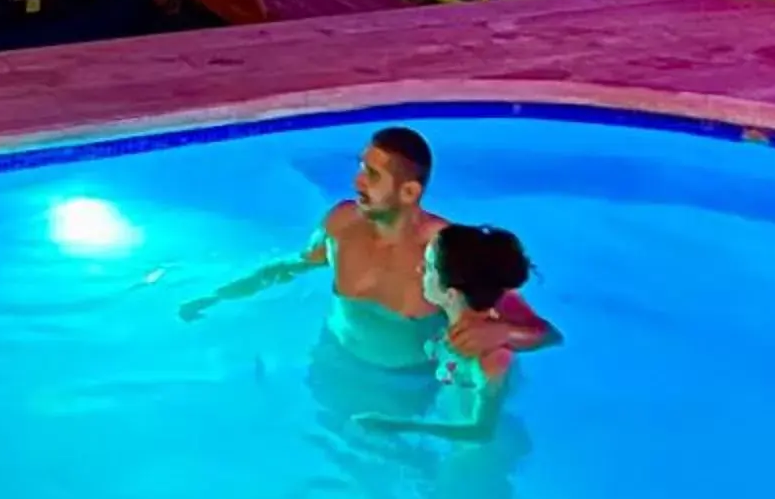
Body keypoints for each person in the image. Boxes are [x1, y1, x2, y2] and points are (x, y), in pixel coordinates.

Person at [179, 125, 553, 375]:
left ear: (409, 192)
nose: (357, 181)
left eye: (372, 175)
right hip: (333, 364)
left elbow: (543, 333)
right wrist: (215, 297)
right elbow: (290, 267)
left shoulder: (448, 252)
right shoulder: (341, 224)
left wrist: (502, 333)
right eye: (361, 167)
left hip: (409, 385)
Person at [357, 224, 543, 440]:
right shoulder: (454, 320)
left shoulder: (490, 357)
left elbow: (481, 432)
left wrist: (393, 426)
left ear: (451, 295)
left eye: (428, 267)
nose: (419, 270)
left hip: (480, 453)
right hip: (449, 413)